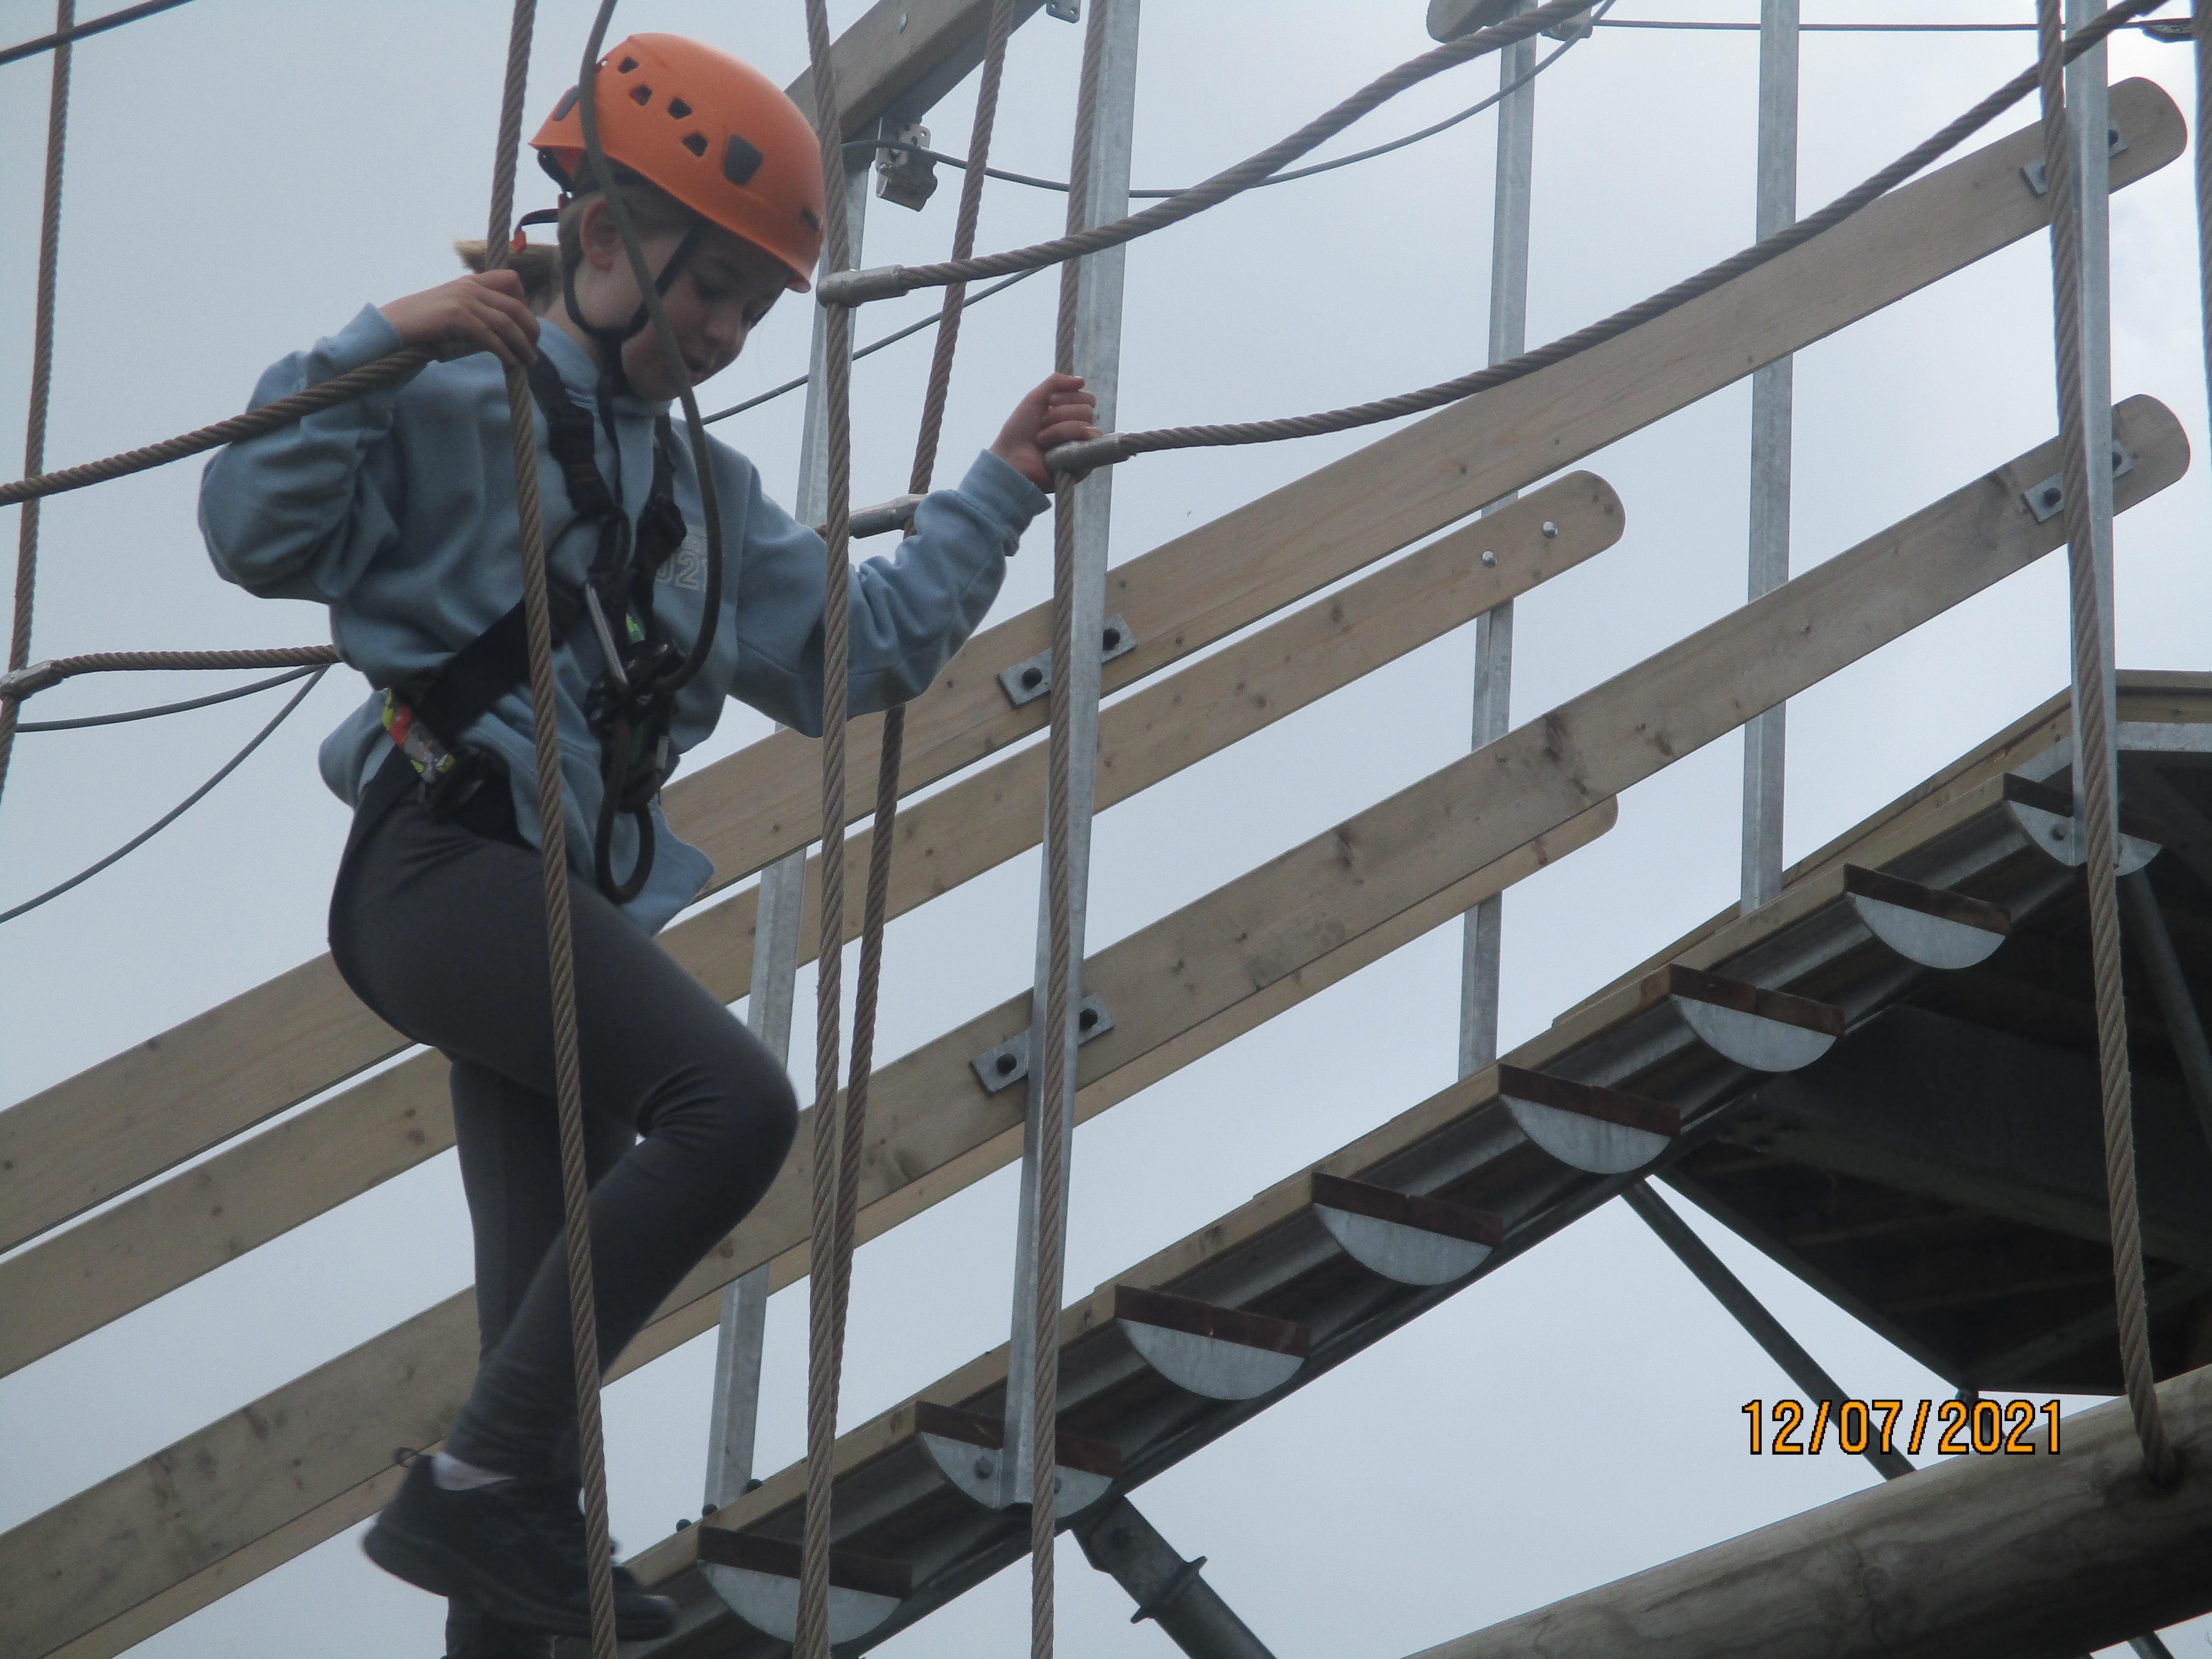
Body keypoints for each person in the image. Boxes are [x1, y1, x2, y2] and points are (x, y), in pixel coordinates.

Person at [198, 33, 1099, 1656]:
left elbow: (861, 651)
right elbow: (252, 533)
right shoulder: (454, 396)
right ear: (604, 236)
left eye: (755, 308)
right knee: (730, 1106)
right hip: (441, 870)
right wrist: (388, 339)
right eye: (713, 289)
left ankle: (503, 1539)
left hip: (557, 906)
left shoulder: (705, 494)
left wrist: (1002, 485)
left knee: (535, 1380)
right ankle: (479, 1487)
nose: (729, 333)